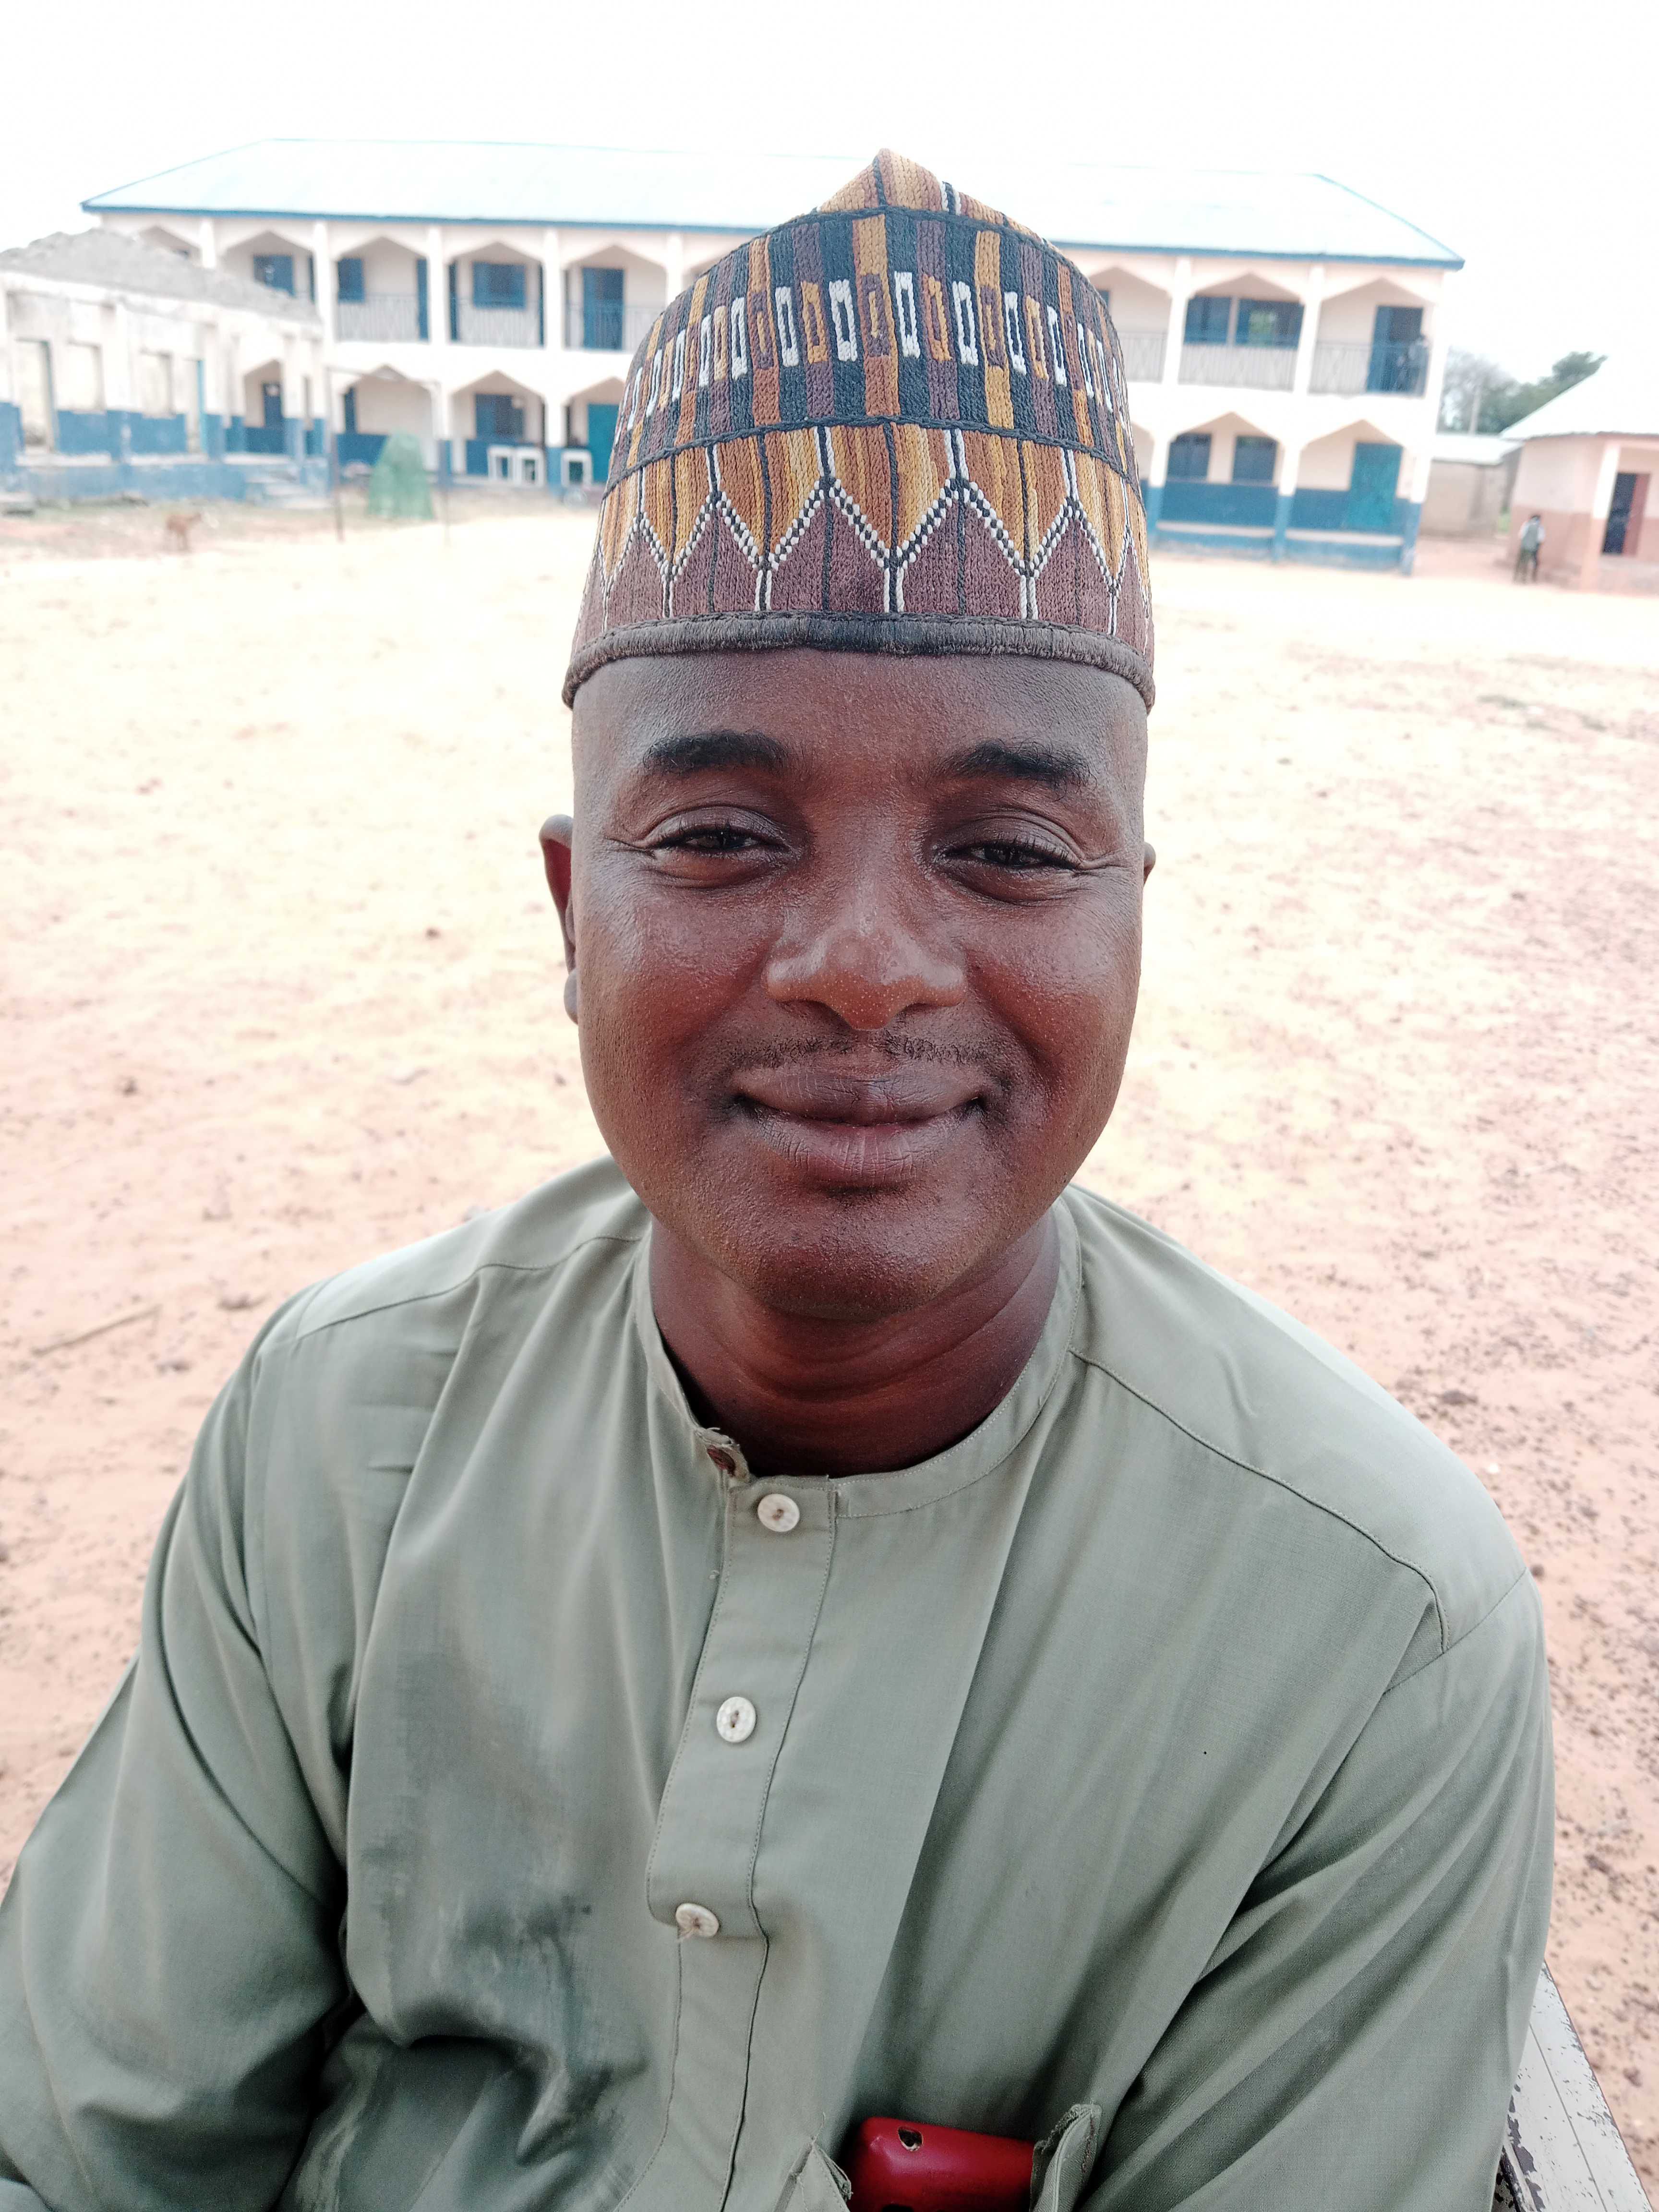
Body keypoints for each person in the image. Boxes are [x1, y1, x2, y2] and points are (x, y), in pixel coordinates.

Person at [0, 153, 1551, 2212]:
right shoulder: (336, 1435)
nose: (862, 963)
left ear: (1129, 909)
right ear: (573, 909)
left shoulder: (1371, 1631)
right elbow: (91, 2149)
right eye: (721, 834)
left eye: (1006, 848)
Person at [1515, 512, 1545, 580]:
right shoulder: (1540, 528)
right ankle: (1526, 578)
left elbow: (1521, 536)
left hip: (1524, 546)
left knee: (1520, 561)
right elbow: (1541, 539)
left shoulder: (1526, 525)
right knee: (1529, 562)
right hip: (1532, 548)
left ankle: (1516, 577)